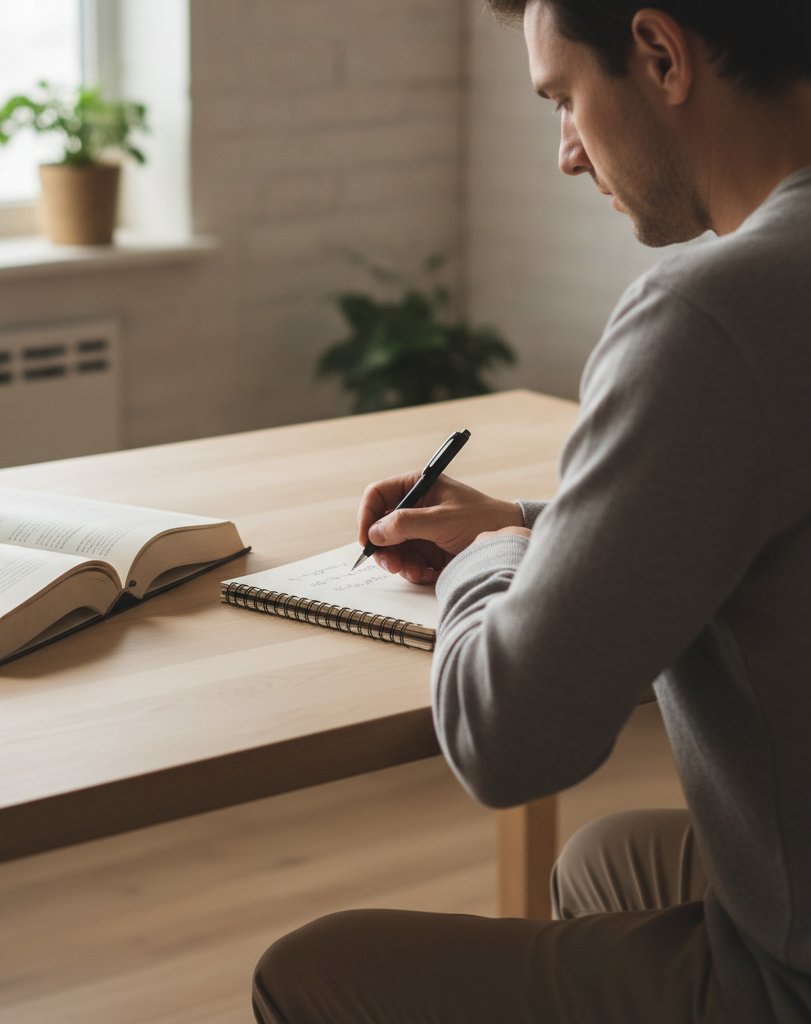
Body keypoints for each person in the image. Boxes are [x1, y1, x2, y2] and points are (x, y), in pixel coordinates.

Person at [252, 1, 811, 1021]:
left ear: (657, 53)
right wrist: (534, 523)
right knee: (604, 860)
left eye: (563, 99)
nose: (564, 153)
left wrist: (491, 558)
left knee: (308, 972)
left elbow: (510, 739)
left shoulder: (714, 315)